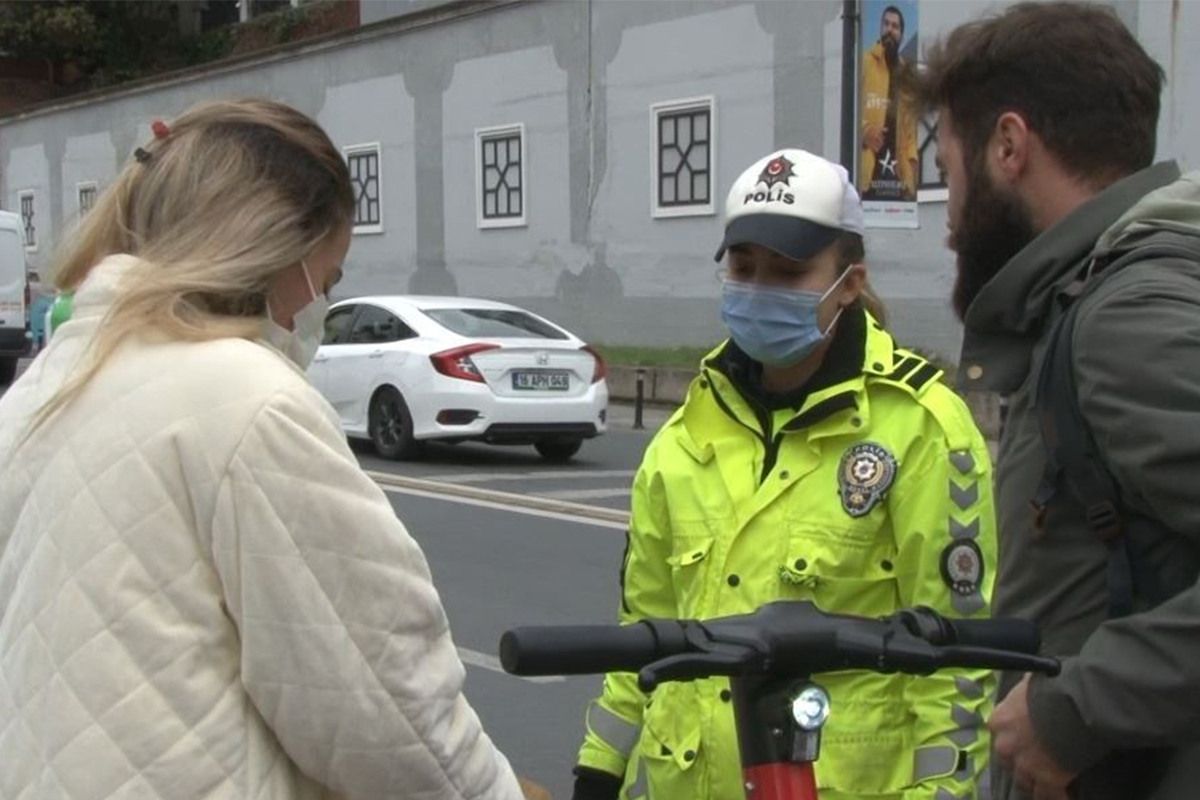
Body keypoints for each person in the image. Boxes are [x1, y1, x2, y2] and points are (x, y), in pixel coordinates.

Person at [0, 99, 525, 800]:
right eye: (326, 279)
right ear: (274, 250)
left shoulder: (45, 387)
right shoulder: (245, 397)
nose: (313, 308)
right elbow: (387, 713)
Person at [571, 148, 998, 800]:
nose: (758, 289)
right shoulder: (687, 433)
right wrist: (600, 766)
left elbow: (957, 672)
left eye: (789, 271)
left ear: (849, 283)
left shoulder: (921, 431)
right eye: (744, 268)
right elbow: (644, 636)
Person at [912, 3, 1200, 799]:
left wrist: (1076, 707)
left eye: (951, 169)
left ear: (1009, 145)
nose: (948, 217)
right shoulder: (1111, 298)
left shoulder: (1124, 317)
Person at [861, 4, 918, 202]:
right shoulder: (865, 62)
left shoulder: (906, 77)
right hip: (867, 176)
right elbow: (847, 114)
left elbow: (911, 136)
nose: (889, 30)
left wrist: (911, 179)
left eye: (895, 26)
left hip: (897, 182)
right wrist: (864, 131)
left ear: (902, 34)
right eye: (886, 24)